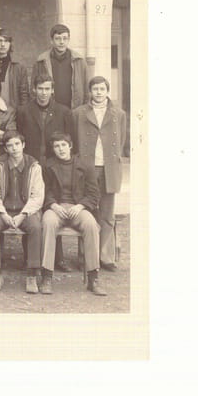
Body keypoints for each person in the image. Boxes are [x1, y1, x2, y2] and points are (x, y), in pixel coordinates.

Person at [16, 73, 73, 271]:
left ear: (52, 90)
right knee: (30, 207)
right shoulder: (23, 111)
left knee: (52, 208)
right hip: (31, 165)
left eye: (47, 89)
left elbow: (69, 139)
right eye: (40, 89)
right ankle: (29, 257)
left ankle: (58, 258)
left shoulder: (63, 112)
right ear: (34, 89)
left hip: (53, 167)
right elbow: (19, 139)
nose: (43, 93)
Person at [71, 76, 127, 272]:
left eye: (102, 89)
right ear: (90, 92)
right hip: (87, 167)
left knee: (107, 213)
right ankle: (86, 256)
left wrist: (112, 161)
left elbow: (121, 142)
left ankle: (106, 257)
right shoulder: (79, 113)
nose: (99, 92)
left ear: (107, 91)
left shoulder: (118, 114)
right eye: (95, 89)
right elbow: (75, 141)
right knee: (87, 212)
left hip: (108, 168)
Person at [41, 132, 106, 295]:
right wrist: (54, 205)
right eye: (56, 146)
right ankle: (46, 277)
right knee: (48, 223)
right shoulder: (48, 166)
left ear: (70, 146)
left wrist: (81, 206)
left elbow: (94, 194)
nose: (60, 149)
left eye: (63, 145)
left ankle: (93, 278)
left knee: (91, 225)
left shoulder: (85, 165)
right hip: (56, 208)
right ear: (53, 149)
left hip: (79, 208)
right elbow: (44, 191)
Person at [0, 131, 44, 294]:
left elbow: (37, 196)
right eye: (10, 145)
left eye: (17, 144)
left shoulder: (34, 166)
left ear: (23, 145)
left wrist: (23, 215)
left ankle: (31, 275)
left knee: (36, 227)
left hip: (26, 211)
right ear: (5, 148)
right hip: (3, 210)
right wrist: (3, 213)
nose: (14, 148)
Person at [32, 24, 90, 109]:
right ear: (51, 41)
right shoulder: (41, 61)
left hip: (73, 110)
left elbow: (87, 89)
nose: (61, 42)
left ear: (68, 40)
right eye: (57, 38)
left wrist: (84, 110)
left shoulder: (79, 61)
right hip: (49, 110)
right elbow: (33, 89)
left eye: (65, 38)